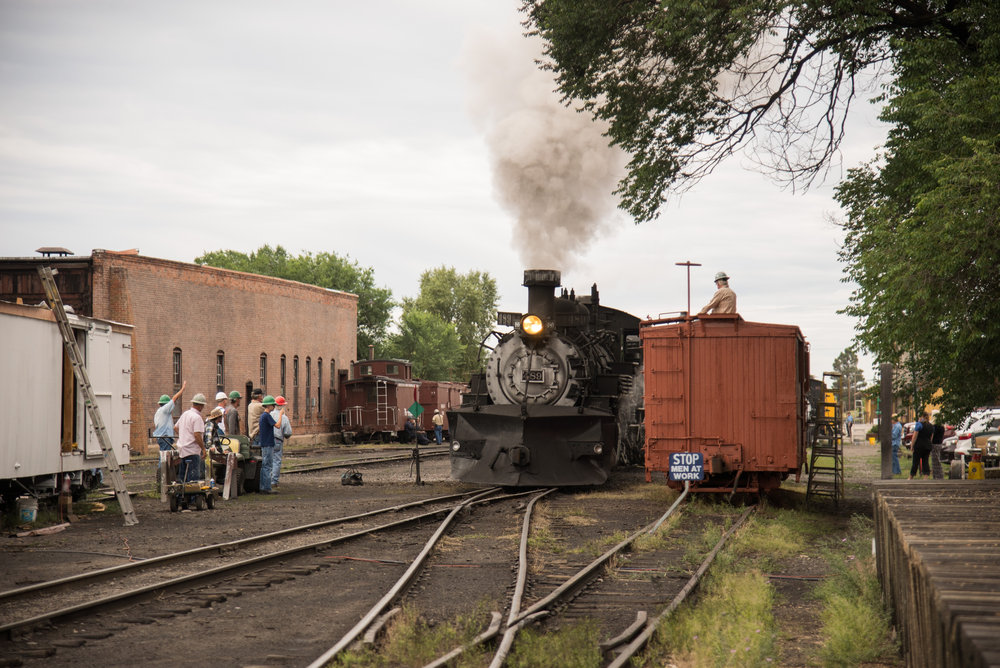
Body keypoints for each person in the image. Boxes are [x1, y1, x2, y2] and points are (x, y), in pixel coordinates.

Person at [175, 393, 208, 494]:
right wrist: (203, 448)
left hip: (182, 449)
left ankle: (181, 497)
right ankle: (192, 498)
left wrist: (184, 436)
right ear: (200, 405)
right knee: (193, 478)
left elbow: (176, 427)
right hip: (192, 450)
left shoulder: (185, 414)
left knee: (182, 477)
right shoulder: (197, 418)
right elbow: (197, 435)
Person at [257, 395, 282, 494]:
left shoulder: (263, 416)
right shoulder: (267, 416)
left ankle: (263, 487)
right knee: (267, 466)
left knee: (265, 466)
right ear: (269, 406)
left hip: (265, 443)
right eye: (273, 405)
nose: (274, 407)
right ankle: (266, 488)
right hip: (268, 444)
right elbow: (278, 425)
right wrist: (281, 415)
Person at [153, 380, 186, 453]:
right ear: (167, 404)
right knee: (165, 458)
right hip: (165, 438)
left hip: (161, 437)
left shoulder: (158, 412)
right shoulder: (165, 409)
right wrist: (182, 389)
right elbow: (174, 399)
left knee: (164, 457)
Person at [271, 396, 292, 488]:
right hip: (278, 440)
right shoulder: (284, 418)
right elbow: (288, 432)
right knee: (276, 461)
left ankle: (267, 480)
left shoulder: (269, 414)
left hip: (268, 440)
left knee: (268, 460)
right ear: (282, 406)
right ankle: (274, 481)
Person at [909, 412, 933, 479]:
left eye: (920, 417)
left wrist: (912, 445)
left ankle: (911, 476)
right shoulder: (931, 426)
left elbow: (915, 436)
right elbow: (931, 437)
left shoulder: (919, 424)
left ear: (923, 417)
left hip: (919, 445)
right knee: (925, 461)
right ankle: (926, 476)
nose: (919, 418)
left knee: (915, 461)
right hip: (927, 446)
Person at [930, 409, 946, 479]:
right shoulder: (942, 426)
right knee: (937, 460)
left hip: (934, 444)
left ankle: (938, 476)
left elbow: (932, 436)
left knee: (935, 461)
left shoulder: (934, 427)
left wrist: (929, 443)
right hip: (939, 444)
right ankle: (938, 475)